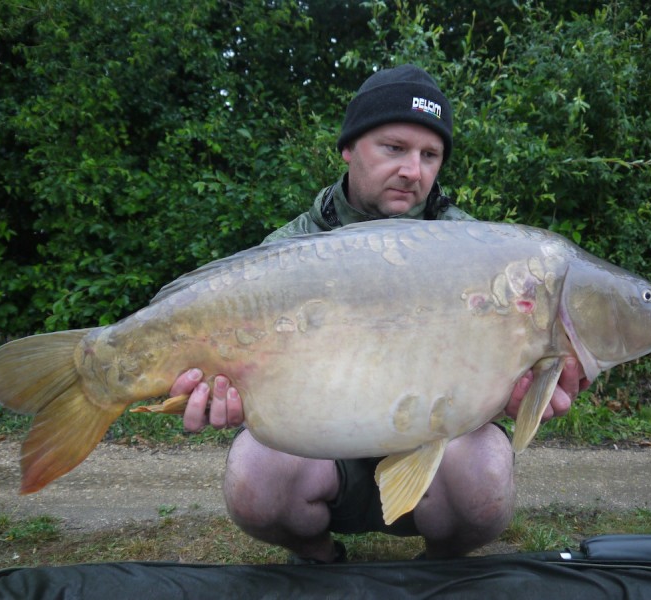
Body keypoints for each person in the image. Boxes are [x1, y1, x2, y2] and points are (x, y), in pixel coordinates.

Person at [170, 65, 589, 563]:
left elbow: (501, 378)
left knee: (488, 478)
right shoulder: (288, 252)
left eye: (429, 155)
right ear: (348, 148)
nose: (413, 170)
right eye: (394, 148)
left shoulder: (483, 255)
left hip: (438, 454)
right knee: (254, 478)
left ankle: (436, 570)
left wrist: (516, 395)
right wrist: (230, 395)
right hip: (321, 454)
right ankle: (318, 559)